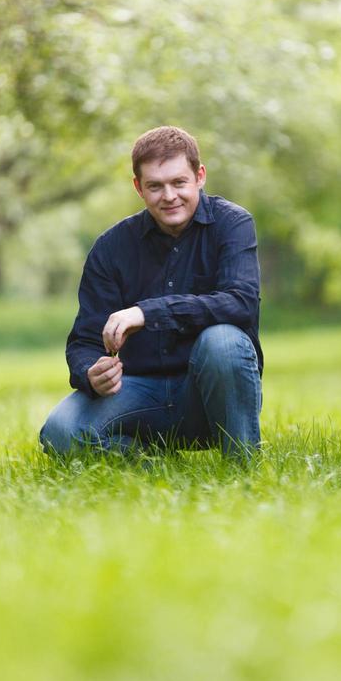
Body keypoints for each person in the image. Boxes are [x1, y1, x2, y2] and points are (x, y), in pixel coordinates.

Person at [39, 125, 263, 459]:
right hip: (138, 392)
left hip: (208, 393)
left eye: (179, 182)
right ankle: (151, 462)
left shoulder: (232, 224)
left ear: (199, 176)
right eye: (155, 186)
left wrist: (147, 313)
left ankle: (243, 466)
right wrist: (90, 372)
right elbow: (85, 339)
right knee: (59, 433)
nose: (169, 196)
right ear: (138, 188)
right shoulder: (111, 248)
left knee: (223, 341)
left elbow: (240, 303)